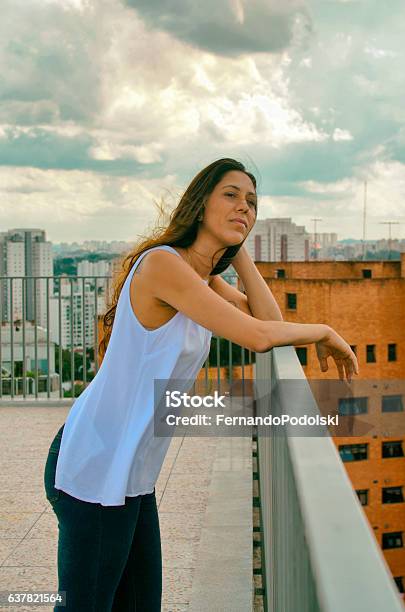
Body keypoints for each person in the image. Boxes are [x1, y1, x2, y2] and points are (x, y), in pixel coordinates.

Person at [43, 157, 358, 611]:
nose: (243, 208)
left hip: (133, 471)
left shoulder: (202, 275)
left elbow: (268, 319)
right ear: (199, 204)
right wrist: (324, 331)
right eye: (230, 196)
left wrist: (237, 247)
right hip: (96, 463)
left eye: (251, 203)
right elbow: (257, 337)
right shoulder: (163, 266)